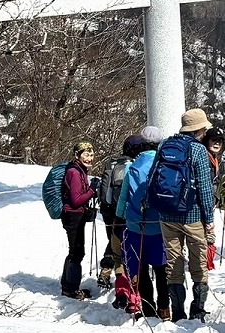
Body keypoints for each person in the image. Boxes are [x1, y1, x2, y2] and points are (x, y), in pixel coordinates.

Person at [156, 108, 217, 322]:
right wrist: (209, 220)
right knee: (198, 264)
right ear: (200, 130)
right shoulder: (198, 150)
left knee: (173, 263)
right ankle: (197, 311)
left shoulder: (164, 145)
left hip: (166, 214)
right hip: (192, 215)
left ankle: (177, 312)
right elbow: (205, 188)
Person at [117, 126, 170, 319]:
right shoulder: (164, 165)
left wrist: (119, 216)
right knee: (162, 270)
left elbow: (123, 197)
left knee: (141, 270)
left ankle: (149, 309)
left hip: (135, 226)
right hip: (159, 226)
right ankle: (164, 308)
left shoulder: (132, 167)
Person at [97, 134, 144, 291]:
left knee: (113, 242)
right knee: (123, 246)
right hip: (123, 211)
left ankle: (106, 270)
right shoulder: (134, 165)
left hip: (107, 209)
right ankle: (124, 284)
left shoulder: (111, 163)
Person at [60, 140, 98, 299]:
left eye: (91, 154)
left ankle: (67, 286)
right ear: (77, 155)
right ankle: (71, 289)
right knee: (76, 252)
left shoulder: (80, 170)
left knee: (75, 251)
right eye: (86, 154)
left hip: (75, 215)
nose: (89, 158)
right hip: (73, 215)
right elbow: (76, 200)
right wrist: (92, 191)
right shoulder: (75, 173)